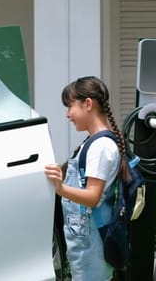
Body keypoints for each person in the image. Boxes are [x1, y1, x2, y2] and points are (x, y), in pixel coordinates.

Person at [45, 76, 127, 281]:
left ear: (88, 104)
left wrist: (60, 188)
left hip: (90, 242)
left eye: (70, 106)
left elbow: (92, 196)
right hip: (85, 240)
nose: (67, 114)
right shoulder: (93, 143)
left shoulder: (101, 147)